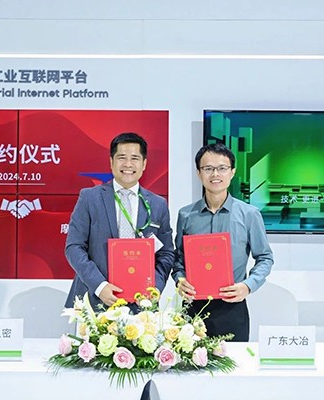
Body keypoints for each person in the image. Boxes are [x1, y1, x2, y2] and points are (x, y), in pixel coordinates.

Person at [172, 143, 274, 341]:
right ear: (198, 173)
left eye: (222, 168)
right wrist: (180, 279)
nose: (215, 174)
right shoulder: (186, 215)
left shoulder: (249, 214)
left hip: (232, 307)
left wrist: (247, 286)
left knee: (234, 360)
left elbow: (265, 258)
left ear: (232, 172)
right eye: (208, 168)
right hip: (193, 306)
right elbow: (179, 258)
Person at [64, 132, 174, 309]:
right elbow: (74, 247)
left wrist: (154, 288)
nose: (128, 164)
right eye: (121, 157)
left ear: (144, 164)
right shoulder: (90, 198)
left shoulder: (158, 204)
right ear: (111, 162)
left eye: (135, 158)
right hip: (95, 300)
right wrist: (100, 286)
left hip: (141, 305)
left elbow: (166, 253)